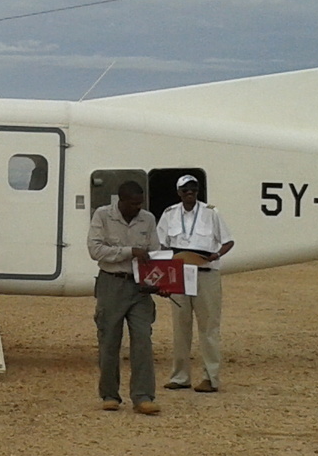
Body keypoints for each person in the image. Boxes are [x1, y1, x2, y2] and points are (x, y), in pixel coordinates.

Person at [86, 179, 160, 414]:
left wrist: (160, 282)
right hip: (112, 284)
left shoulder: (148, 219)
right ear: (121, 201)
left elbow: (155, 252)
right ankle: (109, 394)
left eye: (140, 203)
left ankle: (143, 396)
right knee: (109, 341)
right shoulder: (103, 216)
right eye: (133, 203)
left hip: (140, 288)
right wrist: (130, 252)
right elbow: (95, 250)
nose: (137, 207)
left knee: (143, 341)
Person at [156, 174, 234, 392]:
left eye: (194, 190)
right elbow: (161, 244)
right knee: (180, 326)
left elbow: (228, 241)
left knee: (209, 327)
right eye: (186, 190)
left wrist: (216, 255)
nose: (190, 193)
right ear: (179, 192)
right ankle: (180, 377)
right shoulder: (169, 214)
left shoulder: (211, 212)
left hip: (206, 272)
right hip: (179, 273)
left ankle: (211, 377)